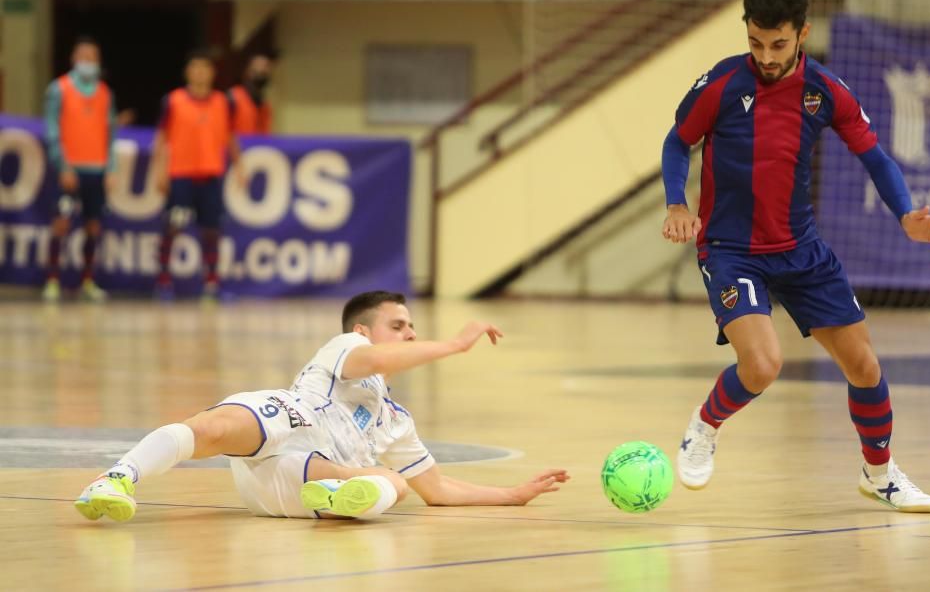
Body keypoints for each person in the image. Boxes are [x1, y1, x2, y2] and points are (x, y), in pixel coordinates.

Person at [660, 0, 930, 513]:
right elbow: (677, 140)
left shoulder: (826, 90)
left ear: (801, 34)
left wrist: (905, 215)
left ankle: (880, 474)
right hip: (732, 250)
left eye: (778, 45)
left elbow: (875, 157)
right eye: (756, 43)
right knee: (762, 365)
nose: (766, 57)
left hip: (802, 249)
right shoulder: (723, 84)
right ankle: (704, 426)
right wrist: (676, 204)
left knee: (864, 367)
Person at [75, 291, 569, 522]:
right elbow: (380, 357)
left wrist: (513, 495)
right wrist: (454, 345)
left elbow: (437, 490)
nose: (411, 334)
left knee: (394, 481)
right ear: (362, 331)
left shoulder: (395, 420)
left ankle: (337, 499)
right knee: (217, 425)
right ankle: (117, 479)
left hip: (298, 482)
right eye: (399, 325)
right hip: (290, 423)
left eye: (412, 327)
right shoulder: (343, 350)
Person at [151, 50, 242, 300]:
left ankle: (211, 284)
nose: (200, 72)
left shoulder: (223, 102)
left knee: (211, 231)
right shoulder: (174, 101)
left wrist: (240, 166)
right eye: (195, 67)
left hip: (211, 176)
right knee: (173, 227)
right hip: (181, 175)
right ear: (187, 72)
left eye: (205, 67)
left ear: (212, 73)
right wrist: (158, 171)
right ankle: (163, 281)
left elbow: (230, 137)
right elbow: (161, 138)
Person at [42, 36, 117, 302]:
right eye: (83, 56)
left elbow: (111, 133)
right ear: (74, 59)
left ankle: (88, 280)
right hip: (69, 169)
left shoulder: (105, 93)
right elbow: (51, 130)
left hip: (96, 171)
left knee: (93, 226)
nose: (88, 61)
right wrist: (62, 165)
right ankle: (52, 279)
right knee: (61, 223)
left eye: (93, 57)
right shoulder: (59, 89)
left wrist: (111, 168)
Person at [228, 53, 273, 135]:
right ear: (248, 71)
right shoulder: (233, 96)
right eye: (258, 67)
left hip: (257, 147)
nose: (262, 70)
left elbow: (265, 134)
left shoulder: (265, 105)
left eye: (265, 68)